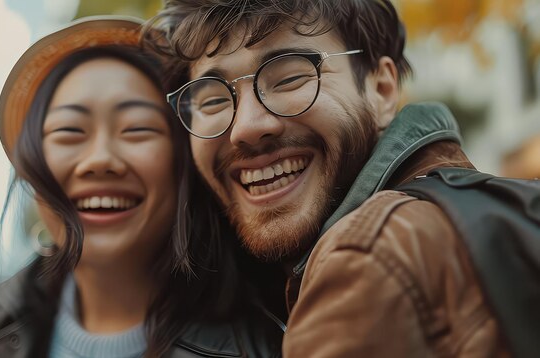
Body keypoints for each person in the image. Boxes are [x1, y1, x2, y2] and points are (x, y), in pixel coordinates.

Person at [145, 1, 511, 356]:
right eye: (213, 101)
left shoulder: (369, 265)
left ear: (381, 90)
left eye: (289, 78)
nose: (246, 127)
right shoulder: (469, 210)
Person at [0, 16, 283, 358]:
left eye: (137, 129)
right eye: (69, 132)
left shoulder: (273, 338)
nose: (100, 159)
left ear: (187, 159)